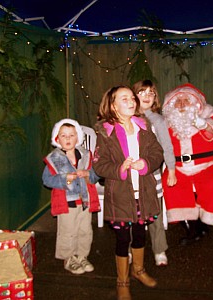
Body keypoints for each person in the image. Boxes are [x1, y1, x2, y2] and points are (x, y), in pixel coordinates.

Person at [93, 86, 164, 300]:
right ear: (113, 106)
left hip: (142, 192)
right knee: (123, 238)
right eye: (124, 99)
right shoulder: (105, 133)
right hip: (121, 195)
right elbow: (99, 164)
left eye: (132, 98)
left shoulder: (144, 127)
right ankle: (122, 280)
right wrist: (119, 169)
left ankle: (138, 270)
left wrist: (146, 163)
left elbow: (157, 152)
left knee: (140, 233)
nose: (132, 101)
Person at [161, 83, 213, 245]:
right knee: (171, 186)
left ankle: (204, 223)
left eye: (186, 100)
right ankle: (192, 227)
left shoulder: (207, 112)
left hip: (207, 164)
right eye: (178, 101)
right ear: (171, 104)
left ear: (195, 102)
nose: (182, 104)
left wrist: (204, 124)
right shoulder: (166, 121)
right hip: (177, 168)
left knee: (212, 186)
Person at [42, 118, 100, 275]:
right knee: (68, 232)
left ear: (78, 137)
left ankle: (81, 256)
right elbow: (47, 180)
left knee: (85, 231)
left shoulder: (85, 155)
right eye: (63, 135)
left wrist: (88, 174)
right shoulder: (54, 159)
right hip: (67, 204)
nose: (67, 139)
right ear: (57, 138)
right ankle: (68, 258)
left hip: (85, 201)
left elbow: (96, 175)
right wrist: (65, 178)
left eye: (71, 135)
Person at [132, 80, 176, 266]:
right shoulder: (126, 118)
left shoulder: (157, 120)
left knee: (155, 212)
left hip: (152, 174)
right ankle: (131, 249)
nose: (148, 96)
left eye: (151, 92)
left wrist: (171, 169)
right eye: (142, 92)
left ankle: (159, 249)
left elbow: (166, 147)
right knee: (131, 213)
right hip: (132, 174)